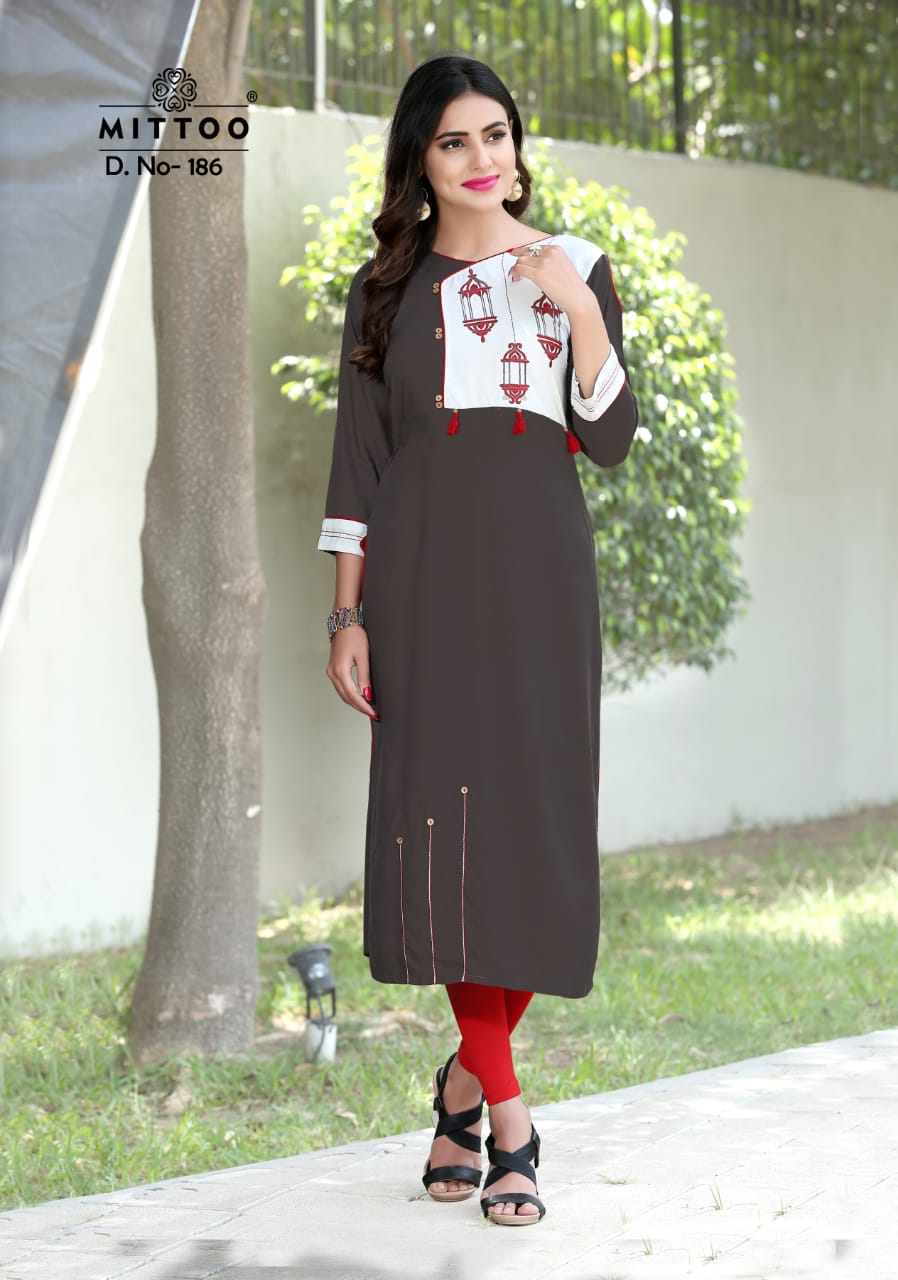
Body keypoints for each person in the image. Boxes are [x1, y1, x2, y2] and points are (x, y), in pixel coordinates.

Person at [317, 54, 639, 1225]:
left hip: (541, 578)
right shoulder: (384, 289)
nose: (480, 158)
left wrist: (579, 311)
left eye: (494, 133)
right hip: (420, 581)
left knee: (531, 837)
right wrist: (347, 614)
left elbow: (611, 437)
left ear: (515, 142)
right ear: (420, 157)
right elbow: (359, 464)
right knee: (443, 832)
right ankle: (509, 1120)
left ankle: (461, 1084)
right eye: (454, 140)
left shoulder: (576, 266)